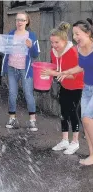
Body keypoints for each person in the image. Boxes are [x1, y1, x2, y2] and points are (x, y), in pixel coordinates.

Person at [41, 22, 84, 155]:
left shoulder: (73, 52)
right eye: (52, 42)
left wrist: (54, 74)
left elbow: (76, 76)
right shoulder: (54, 52)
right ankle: (65, 140)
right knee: (63, 112)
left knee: (73, 112)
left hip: (77, 86)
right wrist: (48, 73)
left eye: (57, 43)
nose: (54, 46)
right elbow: (56, 68)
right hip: (64, 85)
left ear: (65, 41)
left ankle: (75, 142)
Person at [59, 19, 93, 165]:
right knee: (86, 124)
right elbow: (81, 66)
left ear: (88, 33)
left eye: (77, 34)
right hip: (87, 88)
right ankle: (92, 155)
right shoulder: (80, 49)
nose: (74, 37)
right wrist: (66, 72)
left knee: (86, 118)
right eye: (74, 34)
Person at [1, 11, 40, 131]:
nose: (19, 22)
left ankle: (32, 121)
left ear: (27, 21)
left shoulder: (31, 35)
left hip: (25, 69)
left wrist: (30, 46)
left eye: (22, 20)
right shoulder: (11, 34)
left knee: (28, 94)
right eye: (17, 20)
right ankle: (12, 118)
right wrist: (1, 47)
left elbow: (35, 54)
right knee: (12, 93)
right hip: (12, 67)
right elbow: (5, 51)